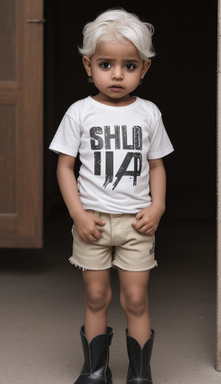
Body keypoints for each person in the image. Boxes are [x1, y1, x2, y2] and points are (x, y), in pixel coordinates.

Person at [49, 8, 174, 384]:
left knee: (135, 299)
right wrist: (77, 214)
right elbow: (64, 167)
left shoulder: (149, 113)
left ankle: (139, 373)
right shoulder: (79, 112)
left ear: (144, 70)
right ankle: (95, 370)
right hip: (94, 221)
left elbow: (156, 166)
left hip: (137, 224)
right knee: (96, 296)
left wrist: (159, 205)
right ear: (88, 65)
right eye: (106, 64)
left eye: (129, 66)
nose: (117, 74)